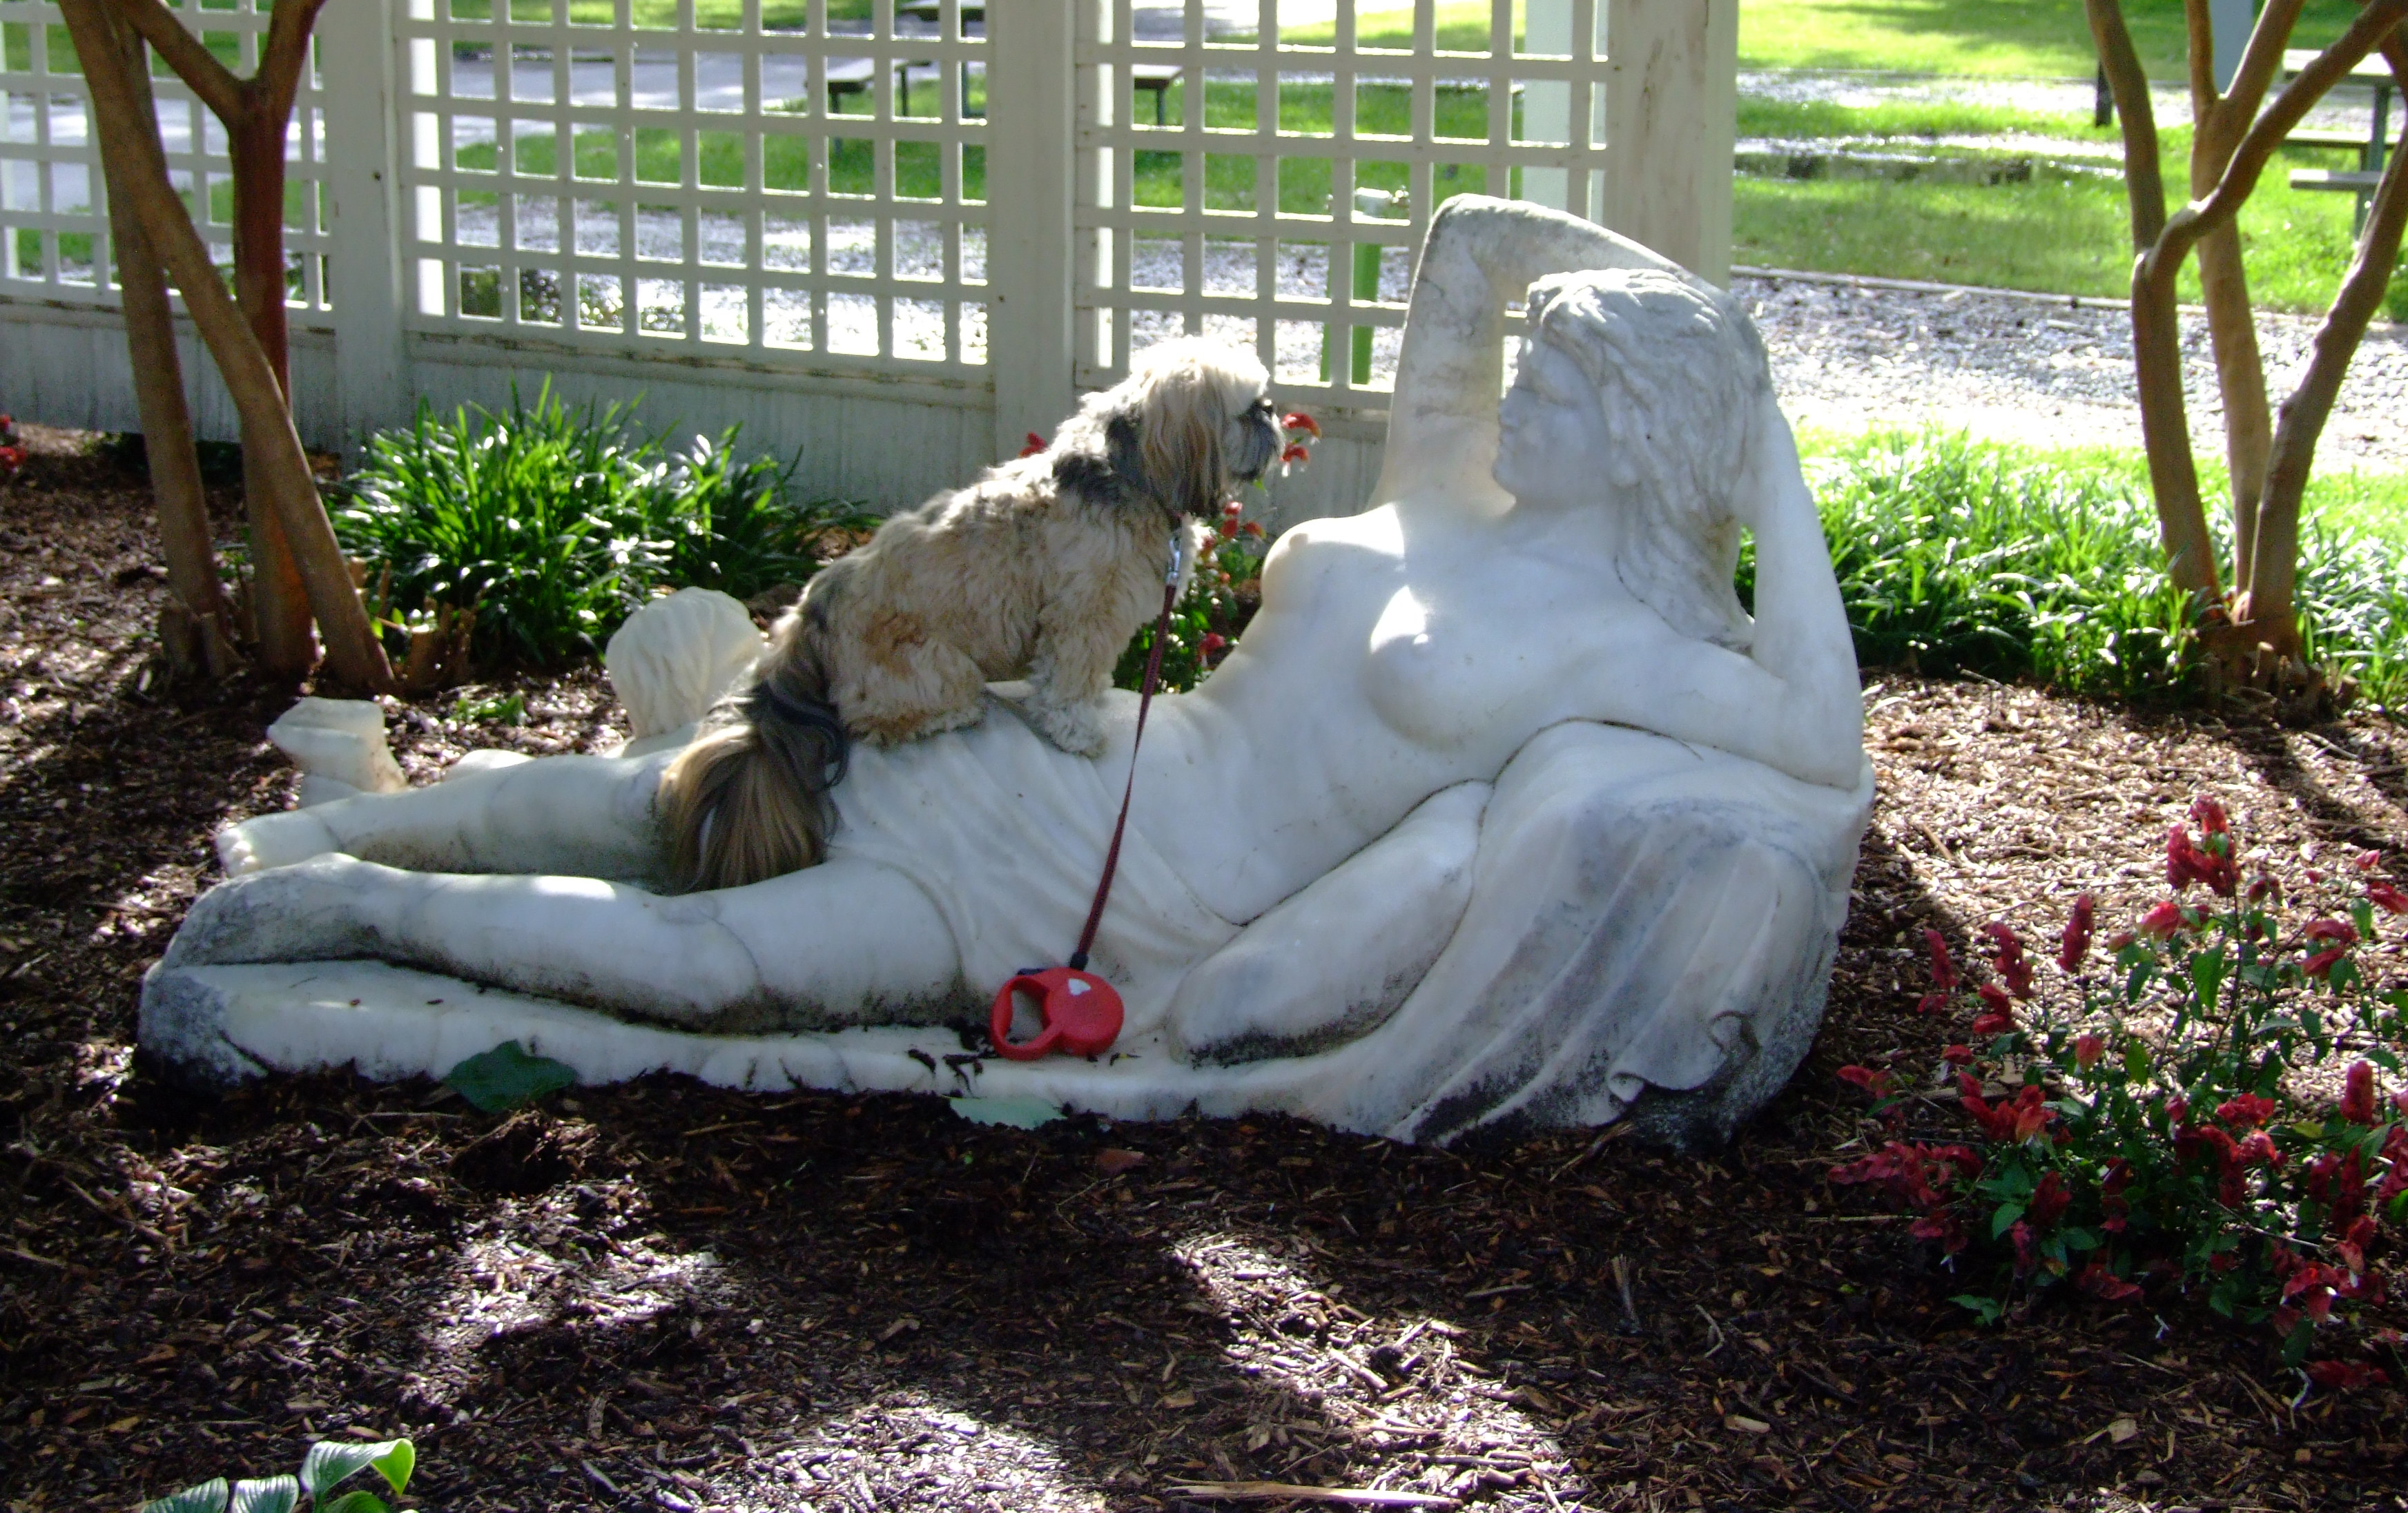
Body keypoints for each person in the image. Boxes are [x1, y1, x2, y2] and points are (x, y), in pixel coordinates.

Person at [145, 199, 1870, 1143]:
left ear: (1646, 443)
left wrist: (1763, 437)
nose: (1517, 401)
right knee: (639, 802)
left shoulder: (1628, 647)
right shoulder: (1448, 494)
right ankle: (310, 841)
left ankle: (347, 920)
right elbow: (1478, 241)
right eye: (1533, 374)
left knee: (717, 963)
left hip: (1119, 901)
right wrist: (1699, 332)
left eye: (1560, 393)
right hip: (1055, 742)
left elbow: (1815, 730)